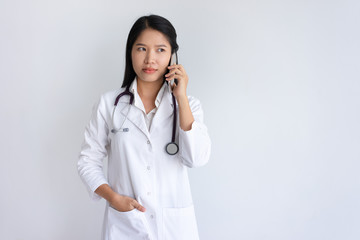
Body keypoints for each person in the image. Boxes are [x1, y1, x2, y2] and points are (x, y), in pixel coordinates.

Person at [77, 14, 211, 240]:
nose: (150, 59)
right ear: (130, 53)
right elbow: (87, 161)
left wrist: (182, 98)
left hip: (174, 229)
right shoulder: (109, 104)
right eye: (141, 49)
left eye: (160, 50)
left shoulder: (189, 106)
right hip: (126, 225)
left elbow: (196, 158)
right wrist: (113, 198)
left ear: (172, 55)